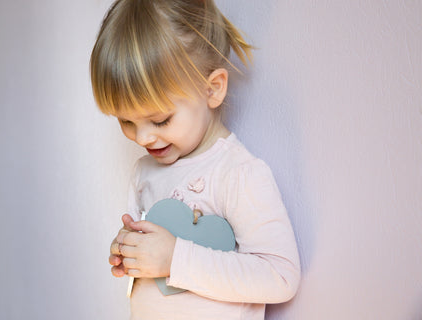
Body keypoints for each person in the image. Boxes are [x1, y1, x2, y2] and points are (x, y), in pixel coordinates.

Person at [90, 0, 300, 319]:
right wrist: (129, 254)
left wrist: (176, 259)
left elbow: (281, 276)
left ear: (212, 90)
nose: (143, 138)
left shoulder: (237, 174)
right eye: (126, 122)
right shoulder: (144, 172)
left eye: (160, 121)